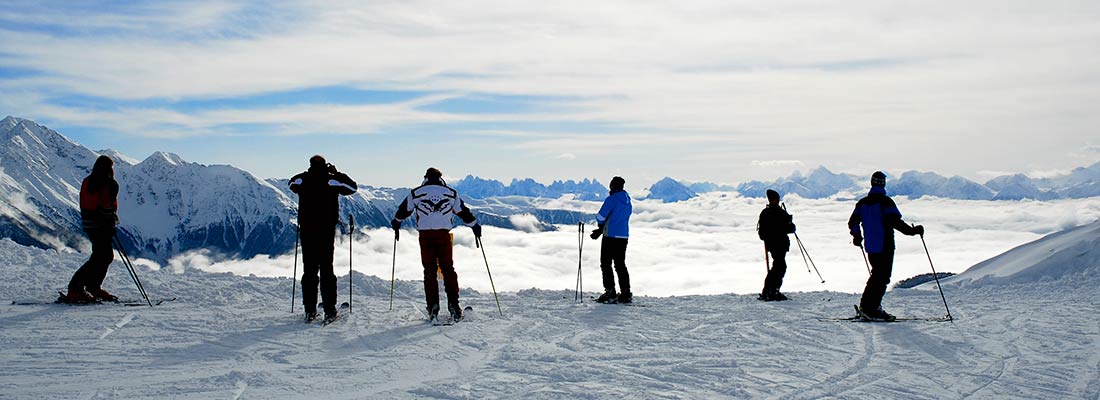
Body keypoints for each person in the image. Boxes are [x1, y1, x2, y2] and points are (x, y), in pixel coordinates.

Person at [391, 167, 481, 322]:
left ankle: (433, 307)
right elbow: (463, 212)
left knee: (429, 271)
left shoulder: (416, 193)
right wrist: (475, 226)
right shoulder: (451, 193)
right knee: (448, 269)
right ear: (441, 179)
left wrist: (396, 223)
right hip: (443, 236)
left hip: (425, 236)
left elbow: (403, 211)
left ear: (426, 178)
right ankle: (454, 306)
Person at [289, 155, 357, 323]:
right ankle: (329, 310)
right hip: (325, 230)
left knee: (309, 270)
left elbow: (291, 183)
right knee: (327, 270)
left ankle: (310, 310)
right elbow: (352, 187)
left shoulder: (302, 180)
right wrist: (336, 172)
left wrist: (308, 173)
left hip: (306, 230)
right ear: (325, 166)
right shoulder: (331, 180)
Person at [848, 171, 923, 321]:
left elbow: (853, 222)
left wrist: (857, 236)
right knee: (882, 278)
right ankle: (873, 308)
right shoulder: (886, 202)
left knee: (876, 276)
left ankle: (867, 306)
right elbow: (896, 222)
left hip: (871, 246)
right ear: (883, 184)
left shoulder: (862, 203)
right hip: (885, 245)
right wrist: (914, 231)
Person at [66, 155, 121, 303]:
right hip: (102, 225)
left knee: (101, 255)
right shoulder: (110, 184)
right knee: (102, 256)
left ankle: (89, 286)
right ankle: (78, 287)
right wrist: (110, 222)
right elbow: (106, 207)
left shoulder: (87, 182)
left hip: (89, 224)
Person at [590, 176, 633, 304]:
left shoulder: (612, 199)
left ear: (613, 186)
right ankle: (626, 293)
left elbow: (600, 216)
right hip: (623, 236)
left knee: (606, 263)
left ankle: (610, 292)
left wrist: (600, 227)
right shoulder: (628, 201)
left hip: (610, 236)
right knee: (620, 265)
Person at [757, 189, 796, 301]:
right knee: (780, 267)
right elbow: (788, 228)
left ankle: (769, 291)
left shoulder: (767, 213)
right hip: (778, 244)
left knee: (778, 267)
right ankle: (772, 291)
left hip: (776, 244)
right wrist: (789, 225)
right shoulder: (777, 212)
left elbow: (762, 233)